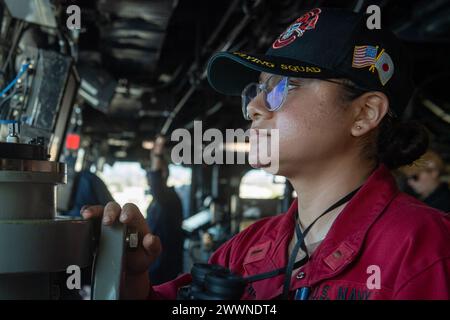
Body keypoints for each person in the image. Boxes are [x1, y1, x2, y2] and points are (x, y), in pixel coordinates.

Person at [81, 8, 450, 300]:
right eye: (256, 91)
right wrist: (130, 284)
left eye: (282, 87)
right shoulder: (245, 249)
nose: (255, 106)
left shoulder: (427, 250)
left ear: (364, 113)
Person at [145, 136, 184, 285]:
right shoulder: (158, 201)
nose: (148, 176)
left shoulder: (168, 198)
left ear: (163, 174)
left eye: (152, 172)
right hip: (157, 263)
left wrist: (157, 155)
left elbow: (156, 183)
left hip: (164, 266)